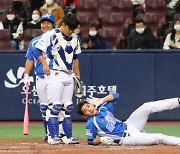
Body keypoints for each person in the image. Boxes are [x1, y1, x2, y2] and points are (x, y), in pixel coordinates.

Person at [33, 13, 81, 145]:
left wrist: (77, 75)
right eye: (69, 28)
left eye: (73, 29)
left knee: (68, 106)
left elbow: (76, 57)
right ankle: (53, 136)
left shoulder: (75, 38)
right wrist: (45, 65)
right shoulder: (51, 34)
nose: (71, 31)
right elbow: (37, 51)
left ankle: (66, 136)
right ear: (63, 25)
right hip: (55, 73)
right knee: (55, 106)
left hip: (69, 74)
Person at [77, 92, 180, 146]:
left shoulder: (103, 108)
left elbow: (116, 95)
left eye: (88, 106)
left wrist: (101, 100)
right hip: (128, 138)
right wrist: (100, 140)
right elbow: (90, 141)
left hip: (130, 124)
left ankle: (178, 101)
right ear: (85, 116)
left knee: (146, 106)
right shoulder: (91, 122)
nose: (88, 110)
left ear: (91, 104)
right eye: (85, 110)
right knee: (160, 137)